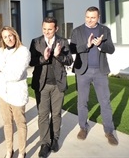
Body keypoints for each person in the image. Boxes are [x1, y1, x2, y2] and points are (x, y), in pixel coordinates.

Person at [70, 6, 118, 146]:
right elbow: (72, 49)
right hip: (82, 71)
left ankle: (109, 131)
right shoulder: (77, 31)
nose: (89, 20)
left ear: (99, 17)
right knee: (82, 102)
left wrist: (100, 45)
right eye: (87, 17)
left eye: (93, 17)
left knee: (105, 102)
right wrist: (87, 45)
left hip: (100, 72)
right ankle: (83, 127)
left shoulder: (105, 30)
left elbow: (112, 49)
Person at [29, 17, 73, 158]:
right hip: (41, 84)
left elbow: (69, 60)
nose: (47, 32)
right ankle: (45, 143)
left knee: (56, 114)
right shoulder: (36, 42)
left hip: (57, 84)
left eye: (50, 29)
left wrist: (58, 55)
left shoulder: (63, 41)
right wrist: (44, 58)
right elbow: (31, 61)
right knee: (43, 115)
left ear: (56, 29)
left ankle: (55, 139)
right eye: (44, 29)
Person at [0, 26, 30, 158]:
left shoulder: (23, 51)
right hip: (3, 93)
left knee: (20, 124)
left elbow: (15, 75)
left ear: (15, 35)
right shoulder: (0, 51)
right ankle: (9, 151)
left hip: (17, 94)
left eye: (10, 35)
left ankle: (22, 152)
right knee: (7, 123)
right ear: (2, 39)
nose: (8, 39)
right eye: (5, 37)